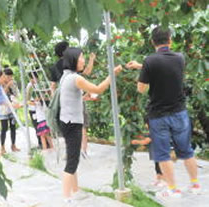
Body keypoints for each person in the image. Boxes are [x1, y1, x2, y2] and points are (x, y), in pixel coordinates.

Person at [126, 26, 200, 198]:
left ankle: (173, 189)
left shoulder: (150, 61)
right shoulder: (180, 58)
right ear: (170, 40)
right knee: (186, 150)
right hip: (179, 112)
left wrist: (143, 70)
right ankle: (195, 185)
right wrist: (142, 66)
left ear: (152, 42)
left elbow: (141, 89)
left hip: (159, 115)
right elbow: (165, 69)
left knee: (163, 153)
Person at [59, 47, 122, 204]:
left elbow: (71, 97)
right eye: (81, 58)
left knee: (72, 157)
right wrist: (112, 74)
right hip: (72, 123)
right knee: (72, 161)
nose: (84, 60)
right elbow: (99, 89)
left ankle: (75, 191)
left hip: (67, 121)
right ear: (74, 60)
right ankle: (66, 198)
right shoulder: (75, 78)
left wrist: (85, 97)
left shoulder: (66, 76)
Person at [50, 41, 96, 157]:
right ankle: (83, 151)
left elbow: (52, 86)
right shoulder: (72, 63)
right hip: (76, 97)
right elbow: (86, 72)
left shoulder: (54, 67)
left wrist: (55, 100)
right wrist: (91, 59)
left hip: (62, 100)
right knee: (82, 124)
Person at [0, 67, 21, 154]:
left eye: (11, 77)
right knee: (4, 128)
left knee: (13, 127)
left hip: (12, 108)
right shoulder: (0, 84)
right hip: (3, 109)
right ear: (4, 76)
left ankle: (13, 145)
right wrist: (7, 85)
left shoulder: (13, 83)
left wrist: (13, 86)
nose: (9, 79)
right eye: (8, 77)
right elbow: (1, 95)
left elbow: (17, 94)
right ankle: (2, 147)